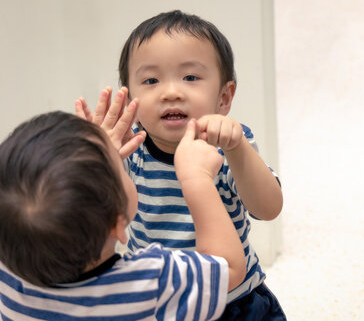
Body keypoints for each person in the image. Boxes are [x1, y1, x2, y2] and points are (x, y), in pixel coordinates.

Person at [76, 9, 286, 319]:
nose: (171, 92)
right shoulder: (130, 148)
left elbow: (268, 209)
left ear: (224, 98)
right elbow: (92, 218)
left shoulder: (226, 146)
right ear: (130, 98)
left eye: (190, 77)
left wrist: (238, 148)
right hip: (155, 301)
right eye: (151, 80)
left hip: (232, 301)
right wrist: (99, 156)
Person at [0, 110, 246, 320]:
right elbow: (230, 268)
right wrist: (197, 180)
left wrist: (93, 157)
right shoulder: (152, 282)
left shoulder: (9, 276)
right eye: (118, 165)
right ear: (117, 225)